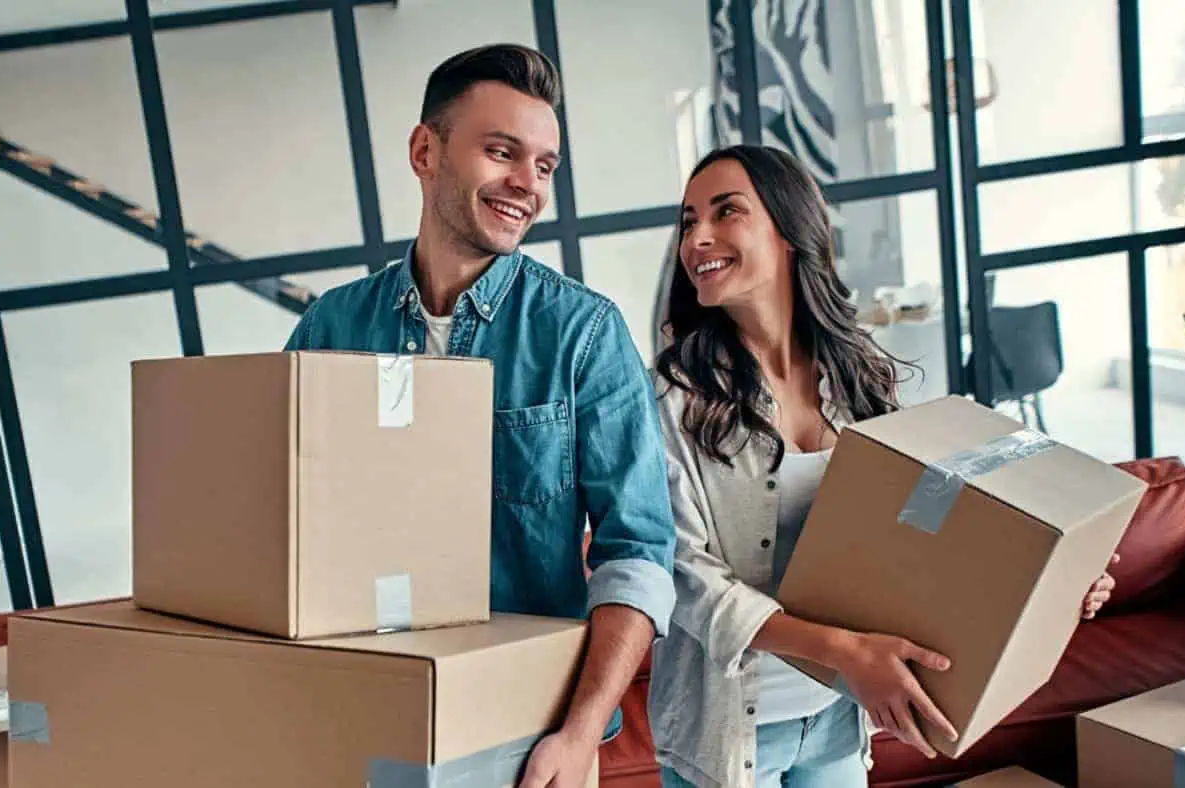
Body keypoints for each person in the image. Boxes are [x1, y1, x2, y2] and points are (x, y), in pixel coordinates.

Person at [647, 145, 1118, 788]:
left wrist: (1056, 578)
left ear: (790, 231)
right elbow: (685, 578)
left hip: (837, 719)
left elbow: (923, 531)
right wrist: (845, 651)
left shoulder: (860, 380)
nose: (697, 237)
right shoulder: (673, 399)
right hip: (727, 736)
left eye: (726, 212)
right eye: (688, 221)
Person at [283, 44, 675, 788]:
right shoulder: (328, 331)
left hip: (526, 744)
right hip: (367, 720)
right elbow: (285, 537)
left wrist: (579, 737)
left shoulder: (581, 334)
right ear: (424, 151)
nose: (526, 184)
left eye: (545, 166)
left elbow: (639, 554)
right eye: (503, 152)